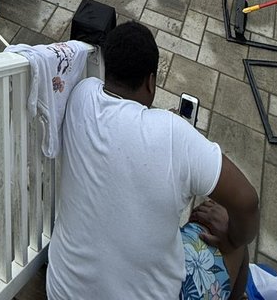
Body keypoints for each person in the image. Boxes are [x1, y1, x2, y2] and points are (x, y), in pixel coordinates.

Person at [46, 21, 259, 300]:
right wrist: (233, 237)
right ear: (150, 81)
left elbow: (120, 122)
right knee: (238, 242)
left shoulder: (80, 95)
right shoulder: (174, 134)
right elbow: (248, 202)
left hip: (61, 291)